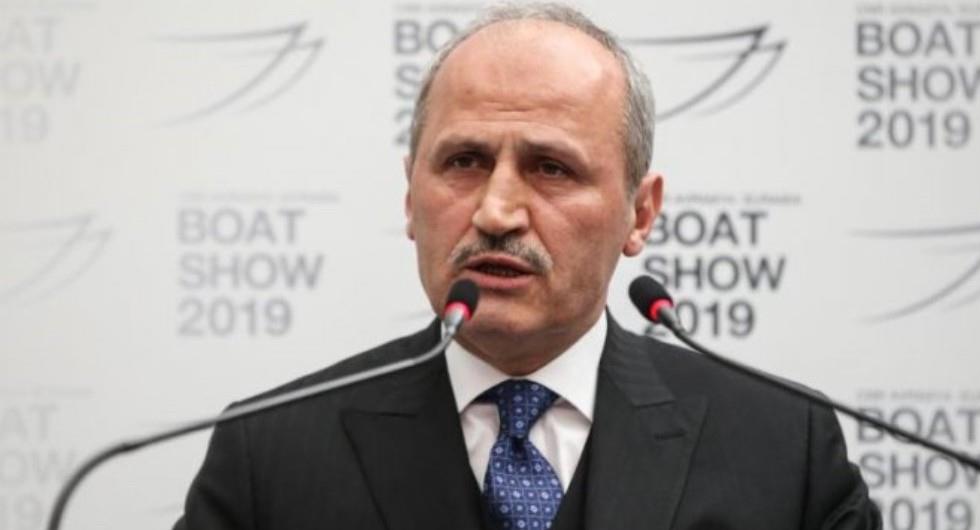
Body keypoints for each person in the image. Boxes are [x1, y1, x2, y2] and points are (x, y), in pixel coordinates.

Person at [175, 4, 881, 529]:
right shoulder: (270, 453)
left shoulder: (782, 448)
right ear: (411, 198)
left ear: (640, 213)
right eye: (464, 161)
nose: (496, 212)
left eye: (551, 168)